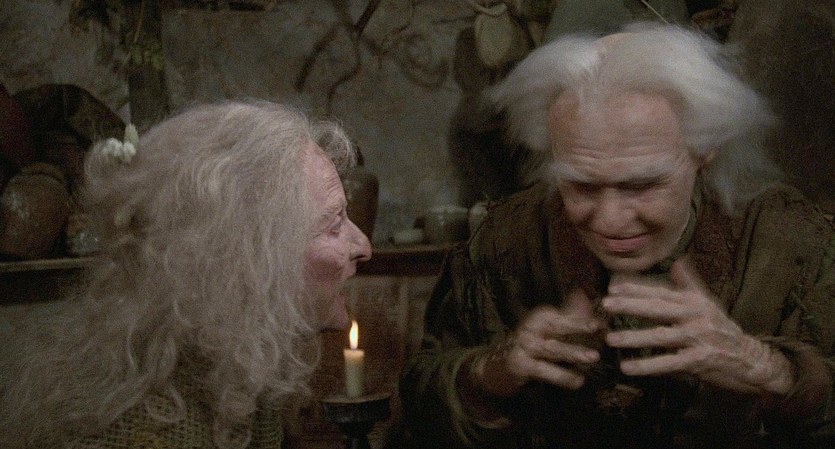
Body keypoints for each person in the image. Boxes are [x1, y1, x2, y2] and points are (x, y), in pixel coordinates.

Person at [400, 22, 835, 449]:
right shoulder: (506, 241)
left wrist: (772, 370)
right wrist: (489, 373)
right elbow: (416, 408)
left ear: (705, 150)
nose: (609, 221)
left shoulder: (791, 241)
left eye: (642, 185)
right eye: (581, 186)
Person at [0, 100, 372, 448]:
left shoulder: (227, 379)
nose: (363, 246)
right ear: (246, 258)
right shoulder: (155, 429)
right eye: (334, 224)